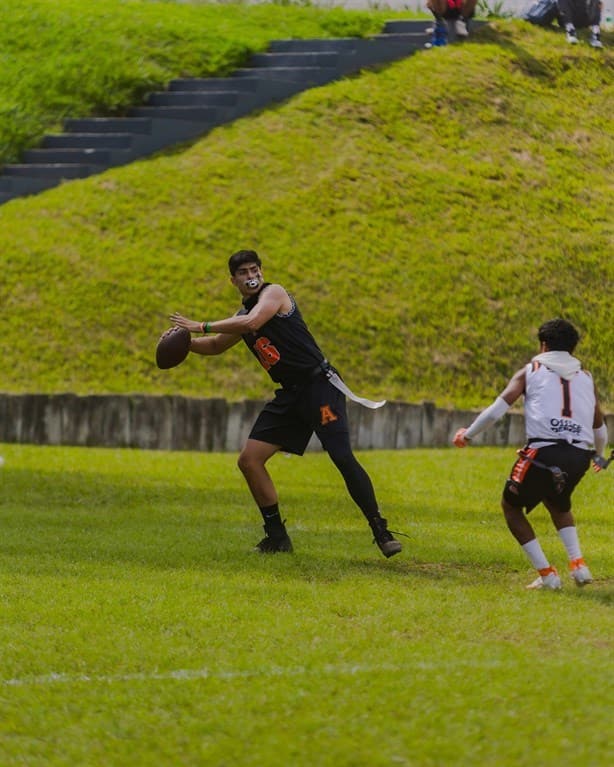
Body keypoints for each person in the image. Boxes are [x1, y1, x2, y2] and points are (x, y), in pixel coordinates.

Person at [169, 249, 402, 558]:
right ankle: (277, 537)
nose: (251, 276)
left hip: (319, 386)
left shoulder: (273, 294)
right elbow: (214, 345)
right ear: (233, 280)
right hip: (291, 394)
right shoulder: (239, 318)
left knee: (342, 456)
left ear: (261, 271)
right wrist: (184, 344)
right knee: (249, 460)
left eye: (255, 269)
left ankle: (380, 530)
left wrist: (201, 325)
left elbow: (253, 322)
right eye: (244, 273)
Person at [453, 318, 608, 590]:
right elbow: (600, 426)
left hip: (542, 452)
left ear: (543, 344)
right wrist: (599, 455)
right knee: (557, 502)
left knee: (511, 507)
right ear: (572, 348)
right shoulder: (586, 377)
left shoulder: (531, 371)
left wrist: (467, 434)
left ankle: (548, 575)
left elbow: (497, 410)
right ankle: (579, 565)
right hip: (579, 456)